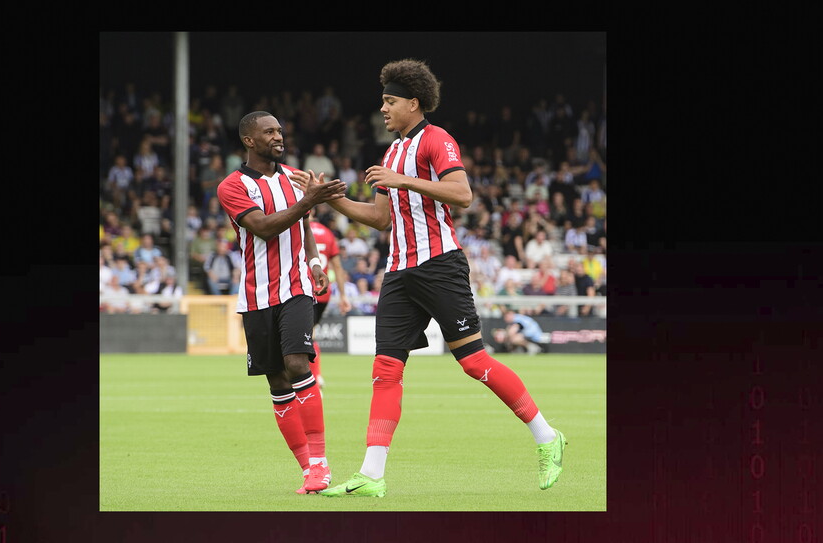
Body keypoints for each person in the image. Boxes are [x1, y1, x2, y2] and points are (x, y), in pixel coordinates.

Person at [290, 59, 566, 497]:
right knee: (385, 370)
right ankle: (372, 474)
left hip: (440, 265)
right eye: (383, 100)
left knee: (474, 363)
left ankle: (548, 436)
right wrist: (330, 201)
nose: (382, 108)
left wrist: (404, 180)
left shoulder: (437, 140)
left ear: (413, 103)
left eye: (389, 101)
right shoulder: (391, 152)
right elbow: (380, 218)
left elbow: (463, 194)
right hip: (399, 272)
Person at [216, 110, 347, 495]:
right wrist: (308, 199)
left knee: (295, 363)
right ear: (249, 140)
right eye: (269, 131)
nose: (278, 136)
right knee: (276, 381)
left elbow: (304, 224)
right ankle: (307, 468)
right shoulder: (232, 186)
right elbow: (264, 226)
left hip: (296, 287)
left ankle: (321, 463)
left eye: (280, 130)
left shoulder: (294, 177)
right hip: (256, 295)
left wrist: (315, 261)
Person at [309, 210, 352, 388]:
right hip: (324, 293)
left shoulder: (297, 228)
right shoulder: (327, 233)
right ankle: (314, 375)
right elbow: (337, 267)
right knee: (309, 332)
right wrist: (342, 295)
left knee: (305, 336)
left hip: (303, 290)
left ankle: (314, 376)